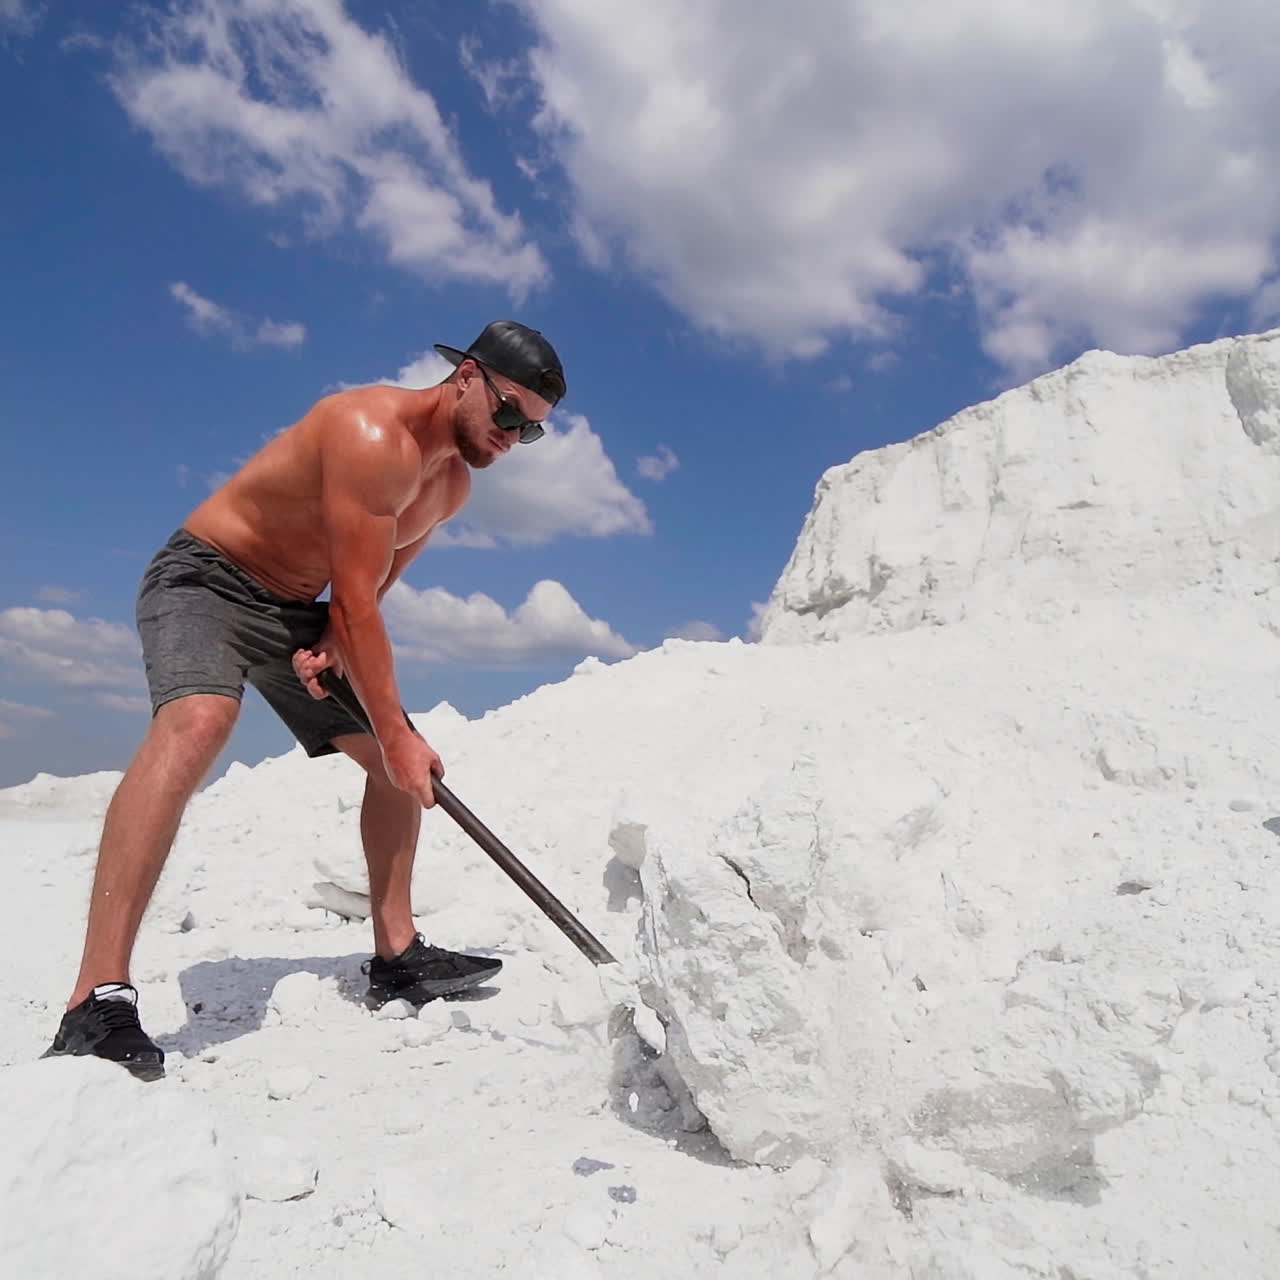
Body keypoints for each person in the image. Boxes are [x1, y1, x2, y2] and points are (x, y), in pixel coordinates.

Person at [44, 320, 567, 1081]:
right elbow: (360, 605)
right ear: (465, 378)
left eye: (534, 433)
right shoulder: (367, 429)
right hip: (209, 579)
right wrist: (390, 722)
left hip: (298, 611)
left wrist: (330, 642)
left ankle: (397, 955)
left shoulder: (450, 484)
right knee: (201, 720)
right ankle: (97, 1000)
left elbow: (367, 586)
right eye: (511, 413)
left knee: (397, 766)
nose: (514, 439)